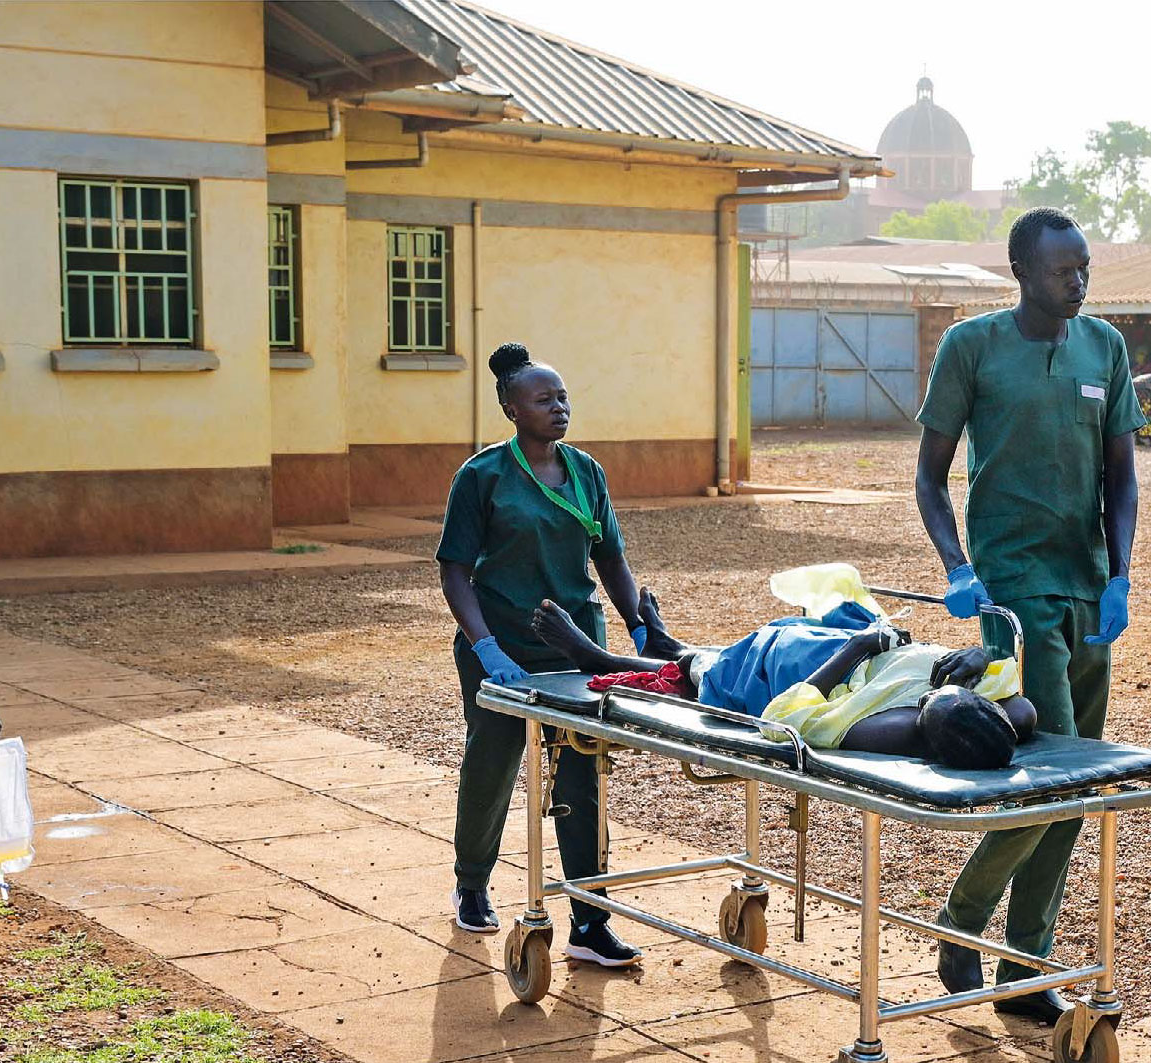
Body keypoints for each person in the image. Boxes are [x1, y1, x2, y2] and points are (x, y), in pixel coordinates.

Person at [913, 208, 1143, 1023]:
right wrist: (957, 567)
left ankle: (1020, 960)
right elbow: (930, 477)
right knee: (1055, 774)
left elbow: (1121, 475)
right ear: (1020, 269)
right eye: (1060, 270)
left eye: (1083, 267)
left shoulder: (1103, 348)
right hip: (1012, 593)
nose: (1076, 281)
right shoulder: (971, 347)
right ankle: (970, 923)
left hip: (1088, 592)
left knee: (1075, 785)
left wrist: (1119, 575)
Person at [435, 343, 649, 967]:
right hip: (499, 641)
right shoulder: (482, 477)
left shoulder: (586, 471)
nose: (559, 408)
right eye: (543, 399)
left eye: (563, 398)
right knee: (495, 759)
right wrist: (486, 646)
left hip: (577, 642)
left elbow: (610, 556)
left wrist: (637, 625)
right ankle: (472, 881)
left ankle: (588, 920)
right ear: (510, 407)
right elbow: (453, 570)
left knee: (583, 769)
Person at [525, 595, 1038, 767]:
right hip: (875, 645)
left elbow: (785, 716)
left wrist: (858, 648)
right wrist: (974, 655)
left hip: (824, 673)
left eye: (931, 703)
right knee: (822, 619)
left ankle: (608, 656)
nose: (934, 690)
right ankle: (671, 647)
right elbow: (1009, 685)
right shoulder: (1011, 713)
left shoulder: (892, 730)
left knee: (756, 654)